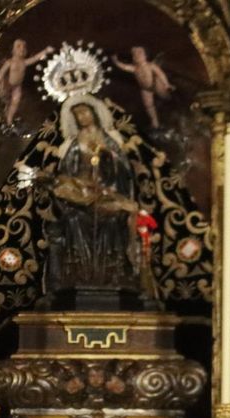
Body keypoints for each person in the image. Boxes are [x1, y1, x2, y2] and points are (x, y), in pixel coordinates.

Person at [45, 94, 140, 297]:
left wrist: (107, 165)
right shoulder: (74, 143)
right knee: (74, 219)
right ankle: (80, 272)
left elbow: (123, 173)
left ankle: (111, 273)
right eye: (77, 114)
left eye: (85, 112)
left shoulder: (109, 140)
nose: (82, 117)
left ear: (94, 113)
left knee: (113, 217)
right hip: (79, 197)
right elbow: (66, 173)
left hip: (107, 192)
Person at [0, 38, 52, 126]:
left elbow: (35, 58)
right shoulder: (10, 62)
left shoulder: (24, 62)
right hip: (7, 84)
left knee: (15, 102)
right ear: (12, 50)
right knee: (2, 100)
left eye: (24, 47)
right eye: (18, 46)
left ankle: (9, 118)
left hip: (17, 87)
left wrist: (46, 50)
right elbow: (1, 71)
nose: (22, 48)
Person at [113, 46, 174, 129]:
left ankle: (170, 102)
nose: (137, 56)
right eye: (135, 55)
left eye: (140, 54)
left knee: (165, 96)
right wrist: (116, 61)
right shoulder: (134, 68)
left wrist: (166, 84)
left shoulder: (151, 66)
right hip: (145, 89)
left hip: (155, 84)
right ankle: (155, 122)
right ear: (133, 58)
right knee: (149, 106)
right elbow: (124, 67)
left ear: (145, 56)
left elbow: (160, 74)